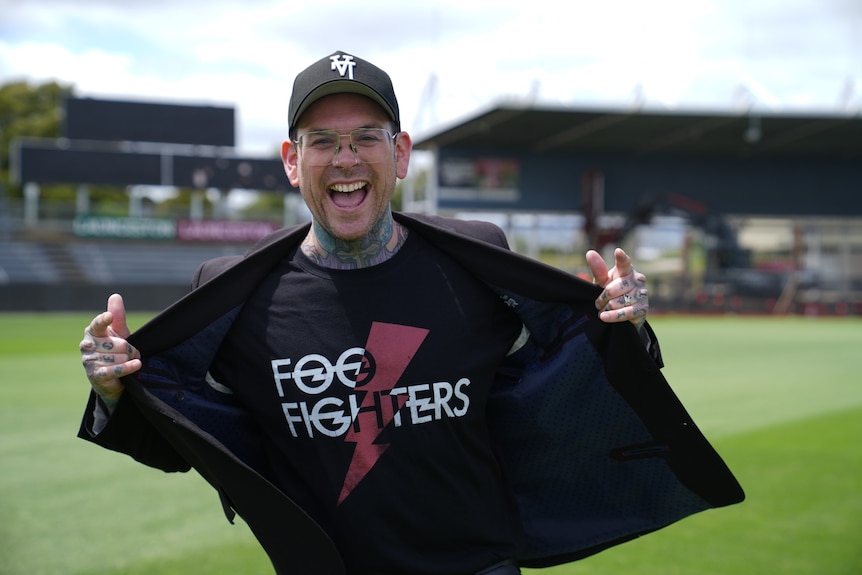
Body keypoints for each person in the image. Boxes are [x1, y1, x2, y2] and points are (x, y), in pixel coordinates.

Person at [78, 51, 743, 575]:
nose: (345, 158)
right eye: (322, 140)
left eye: (367, 137)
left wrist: (624, 328)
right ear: (291, 160)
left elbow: (571, 370)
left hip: (477, 567)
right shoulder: (230, 291)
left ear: (399, 154)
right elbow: (183, 440)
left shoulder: (477, 257)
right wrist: (116, 390)